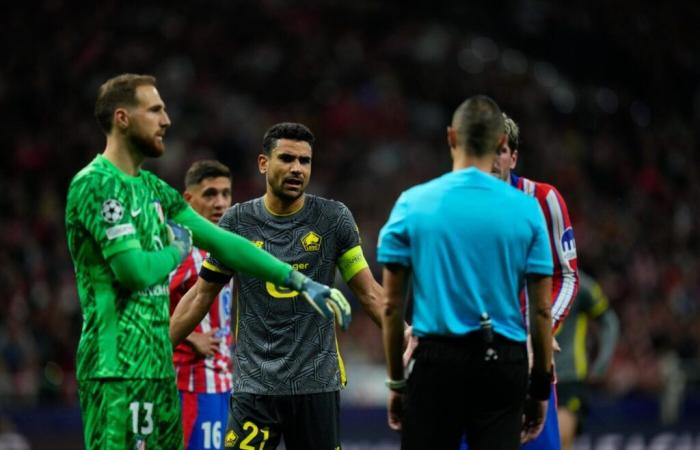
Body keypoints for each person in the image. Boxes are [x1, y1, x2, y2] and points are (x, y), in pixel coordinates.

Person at [65, 74, 350, 450]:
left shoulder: (153, 189)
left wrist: (296, 280)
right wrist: (178, 249)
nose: (166, 120)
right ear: (123, 118)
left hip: (157, 368)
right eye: (155, 110)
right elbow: (132, 272)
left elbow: (224, 242)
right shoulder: (96, 184)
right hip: (115, 368)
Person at [170, 122, 383, 450]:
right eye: (287, 158)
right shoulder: (237, 222)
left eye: (305, 161)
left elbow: (369, 292)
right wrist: (157, 350)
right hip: (255, 388)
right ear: (263, 163)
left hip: (316, 386)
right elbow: (201, 294)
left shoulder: (332, 218)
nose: (297, 168)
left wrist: (408, 333)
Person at [378, 95, 554, 450]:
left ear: (451, 137)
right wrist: (538, 389)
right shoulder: (527, 209)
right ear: (501, 143)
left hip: (436, 363)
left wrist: (397, 384)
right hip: (504, 363)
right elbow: (540, 310)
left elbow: (392, 308)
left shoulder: (412, 203)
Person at [492, 113, 580, 450]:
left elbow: (567, 275)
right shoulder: (450, 206)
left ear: (513, 157)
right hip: (466, 364)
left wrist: (539, 333)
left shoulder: (544, 200)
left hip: (528, 361)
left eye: (499, 150)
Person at [169, 160, 235, 450]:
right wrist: (190, 335)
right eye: (210, 194)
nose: (220, 202)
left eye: (225, 193)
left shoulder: (224, 247)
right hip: (192, 384)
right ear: (189, 199)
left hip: (223, 382)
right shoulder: (181, 250)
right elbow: (136, 305)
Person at [555, 271, 619, 450]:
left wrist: (602, 361)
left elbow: (608, 320)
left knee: (560, 436)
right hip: (532, 377)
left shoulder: (580, 285)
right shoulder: (523, 279)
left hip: (568, 377)